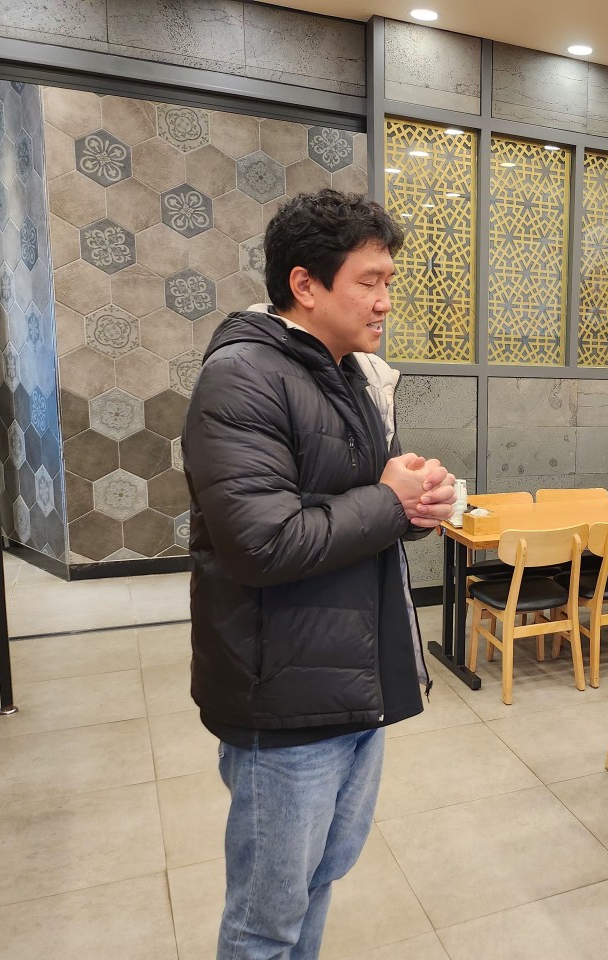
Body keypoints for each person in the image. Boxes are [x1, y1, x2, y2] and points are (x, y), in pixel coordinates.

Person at [183, 189, 457, 960]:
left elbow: (364, 503)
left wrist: (416, 500)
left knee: (316, 882)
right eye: (370, 281)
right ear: (305, 284)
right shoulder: (242, 378)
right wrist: (389, 500)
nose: (385, 300)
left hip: (351, 679)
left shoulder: (350, 376)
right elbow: (262, 544)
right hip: (284, 698)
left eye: (389, 281)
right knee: (265, 922)